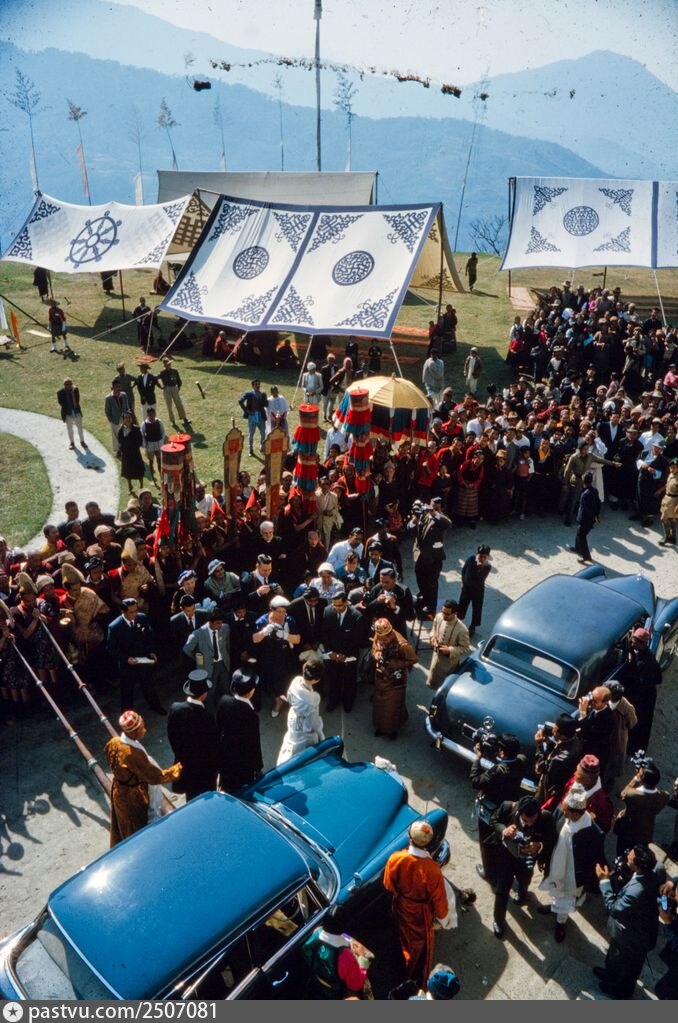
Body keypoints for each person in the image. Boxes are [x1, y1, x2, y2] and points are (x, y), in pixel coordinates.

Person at [383, 819, 450, 988]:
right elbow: (440, 900)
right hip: (421, 914)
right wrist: (443, 919)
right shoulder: (433, 869)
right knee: (420, 949)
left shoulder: (396, 858)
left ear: (409, 838)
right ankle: (414, 978)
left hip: (401, 906)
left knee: (401, 937)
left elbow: (388, 885)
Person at [537, 783, 606, 942]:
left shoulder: (593, 833)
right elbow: (550, 837)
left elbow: (594, 860)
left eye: (565, 810)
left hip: (572, 876)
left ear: (576, 814)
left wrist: (588, 882)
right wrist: (542, 856)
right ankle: (554, 907)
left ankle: (561, 922)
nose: (562, 811)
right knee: (555, 889)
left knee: (566, 898)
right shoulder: (561, 813)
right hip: (556, 866)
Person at [593, 845, 663, 998]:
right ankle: (610, 973)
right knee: (615, 956)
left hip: (634, 937)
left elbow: (614, 908)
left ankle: (621, 991)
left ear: (638, 866)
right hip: (629, 928)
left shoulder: (636, 891)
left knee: (628, 967)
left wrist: (604, 882)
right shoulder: (655, 869)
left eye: (629, 859)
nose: (627, 859)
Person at [104, 710, 181, 846]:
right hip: (132, 796)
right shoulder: (132, 754)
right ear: (132, 733)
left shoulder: (114, 742)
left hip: (118, 789)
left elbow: (107, 753)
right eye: (141, 728)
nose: (144, 730)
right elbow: (154, 777)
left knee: (121, 821)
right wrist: (176, 770)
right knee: (136, 825)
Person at [489, 795, 556, 939]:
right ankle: (498, 921)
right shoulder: (508, 807)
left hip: (527, 860)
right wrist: (504, 830)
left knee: (525, 879)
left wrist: (539, 845)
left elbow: (552, 839)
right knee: (502, 891)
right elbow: (494, 820)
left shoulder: (546, 818)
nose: (529, 824)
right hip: (506, 856)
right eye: (525, 821)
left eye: (533, 821)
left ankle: (522, 895)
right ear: (519, 813)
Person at [471, 733, 525, 888]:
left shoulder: (498, 771)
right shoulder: (521, 761)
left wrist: (477, 758)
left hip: (492, 812)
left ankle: (490, 875)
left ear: (502, 752)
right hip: (510, 809)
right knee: (503, 843)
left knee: (487, 843)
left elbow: (475, 781)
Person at [106, 597, 165, 714]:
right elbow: (111, 648)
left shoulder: (142, 618)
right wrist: (126, 659)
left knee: (149, 686)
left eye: (136, 611)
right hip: (127, 665)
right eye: (131, 612)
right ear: (123, 612)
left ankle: (156, 706)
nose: (134, 614)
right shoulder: (115, 627)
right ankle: (127, 716)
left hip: (143, 660)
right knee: (127, 692)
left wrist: (151, 651)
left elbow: (149, 636)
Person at [166, 669, 219, 802]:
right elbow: (213, 747)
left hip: (184, 765)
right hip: (203, 771)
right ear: (204, 694)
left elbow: (171, 735)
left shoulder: (175, 708)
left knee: (190, 799)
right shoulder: (207, 717)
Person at [301, 905, 371, 1000]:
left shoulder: (315, 932)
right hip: (336, 992)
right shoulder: (345, 955)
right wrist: (362, 958)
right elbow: (356, 985)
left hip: (318, 983)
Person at [216, 668, 263, 793]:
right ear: (250, 692)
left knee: (226, 784)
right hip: (242, 762)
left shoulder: (224, 701)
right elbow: (254, 743)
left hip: (225, 755)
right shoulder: (251, 715)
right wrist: (258, 766)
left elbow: (218, 728)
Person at [617, 627, 663, 754]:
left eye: (634, 642)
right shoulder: (648, 656)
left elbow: (640, 682)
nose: (632, 645)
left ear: (642, 644)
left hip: (643, 698)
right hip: (647, 695)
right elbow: (659, 679)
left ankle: (634, 749)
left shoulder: (644, 662)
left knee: (638, 723)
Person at [372, 617, 417, 740]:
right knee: (379, 703)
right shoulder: (378, 636)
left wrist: (395, 664)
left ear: (390, 633)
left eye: (385, 639)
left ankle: (392, 730)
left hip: (395, 680)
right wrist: (376, 654)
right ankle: (380, 726)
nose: (382, 641)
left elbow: (413, 659)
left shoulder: (403, 645)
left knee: (393, 706)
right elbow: (375, 646)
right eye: (380, 638)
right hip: (381, 676)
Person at [614, 761, 671, 855]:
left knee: (621, 851)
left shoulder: (631, 795)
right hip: (646, 832)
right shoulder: (664, 796)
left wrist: (635, 778)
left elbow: (624, 793)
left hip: (628, 830)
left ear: (643, 780)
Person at [321, 589, 361, 713]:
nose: (336, 608)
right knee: (333, 679)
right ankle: (333, 701)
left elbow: (357, 639)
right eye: (334, 605)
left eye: (339, 605)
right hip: (332, 654)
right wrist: (330, 652)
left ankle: (348, 702)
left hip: (349, 655)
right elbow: (324, 634)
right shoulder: (327, 611)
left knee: (349, 680)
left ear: (346, 603)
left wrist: (345, 654)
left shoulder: (356, 616)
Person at [277, 661, 325, 765]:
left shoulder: (296, 681)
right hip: (303, 727)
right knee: (301, 755)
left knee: (291, 741)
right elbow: (311, 723)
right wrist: (319, 732)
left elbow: (289, 697)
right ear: (316, 680)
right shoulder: (313, 699)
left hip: (293, 716)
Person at [408, 497, 450, 614]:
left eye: (437, 508)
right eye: (432, 506)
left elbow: (447, 523)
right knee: (420, 576)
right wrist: (414, 520)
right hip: (420, 554)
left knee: (432, 582)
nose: (433, 509)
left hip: (433, 557)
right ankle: (424, 595)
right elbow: (410, 529)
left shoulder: (441, 519)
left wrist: (433, 513)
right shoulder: (424, 515)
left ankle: (431, 605)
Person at [182, 608, 231, 707]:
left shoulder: (225, 628)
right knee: (209, 692)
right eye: (217, 623)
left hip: (223, 664)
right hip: (206, 667)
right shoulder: (198, 634)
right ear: (210, 622)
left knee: (226, 688)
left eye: (221, 622)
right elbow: (186, 649)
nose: (220, 625)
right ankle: (210, 712)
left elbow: (227, 645)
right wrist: (198, 659)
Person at [534, 713, 584, 809]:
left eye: (555, 730)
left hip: (549, 791)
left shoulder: (560, 759)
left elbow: (540, 768)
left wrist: (539, 745)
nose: (552, 730)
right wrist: (550, 744)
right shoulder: (575, 740)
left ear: (562, 735)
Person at [604, 680, 638, 793]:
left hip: (617, 739)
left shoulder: (627, 708)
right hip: (604, 736)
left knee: (613, 762)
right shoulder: (603, 700)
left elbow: (633, 722)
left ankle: (608, 784)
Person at [458, 544, 491, 637]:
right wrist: (462, 582)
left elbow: (481, 578)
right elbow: (464, 570)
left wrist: (481, 567)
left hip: (478, 590)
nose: (481, 558)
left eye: (484, 557)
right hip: (467, 588)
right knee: (462, 604)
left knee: (477, 608)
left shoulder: (487, 566)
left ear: (487, 557)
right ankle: (458, 620)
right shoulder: (471, 559)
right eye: (480, 556)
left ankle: (473, 626)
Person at [576, 685, 614, 768]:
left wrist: (583, 714)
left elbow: (591, 735)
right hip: (583, 749)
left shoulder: (608, 718)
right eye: (591, 699)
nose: (592, 702)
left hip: (594, 755)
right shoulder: (592, 707)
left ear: (605, 702)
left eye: (595, 701)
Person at [570, 470, 601, 564]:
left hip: (585, 520)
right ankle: (577, 549)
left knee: (581, 536)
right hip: (589, 519)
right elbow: (598, 503)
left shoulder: (585, 494)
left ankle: (586, 557)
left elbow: (586, 509)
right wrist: (597, 515)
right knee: (579, 534)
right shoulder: (594, 491)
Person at [117, 411, 145, 494]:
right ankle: (130, 486)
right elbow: (120, 440)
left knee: (139, 470)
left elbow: (140, 441)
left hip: (135, 453)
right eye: (126, 418)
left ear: (132, 419)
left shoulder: (136, 429)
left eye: (129, 417)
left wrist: (132, 445)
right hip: (126, 454)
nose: (128, 419)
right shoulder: (121, 430)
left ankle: (141, 486)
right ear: (123, 420)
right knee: (127, 470)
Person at [158, 356, 190, 429]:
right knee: (169, 405)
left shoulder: (175, 371)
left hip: (174, 388)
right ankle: (172, 421)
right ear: (164, 365)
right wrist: (161, 386)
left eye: (169, 364)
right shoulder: (162, 372)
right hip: (167, 389)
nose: (169, 366)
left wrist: (178, 387)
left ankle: (184, 418)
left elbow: (179, 380)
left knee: (179, 403)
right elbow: (155, 378)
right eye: (167, 365)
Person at [238, 379, 268, 455]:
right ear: (253, 386)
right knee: (251, 434)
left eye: (258, 384)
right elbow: (240, 401)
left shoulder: (263, 394)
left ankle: (262, 447)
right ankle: (250, 449)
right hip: (252, 416)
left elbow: (266, 404)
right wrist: (247, 411)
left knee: (263, 433)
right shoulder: (249, 394)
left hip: (261, 416)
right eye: (256, 384)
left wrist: (263, 399)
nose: (258, 386)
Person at [56, 378, 87, 450]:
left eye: (70, 384)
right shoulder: (60, 392)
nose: (68, 386)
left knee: (80, 428)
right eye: (67, 384)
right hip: (68, 413)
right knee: (70, 429)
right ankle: (72, 443)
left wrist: (72, 393)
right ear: (64, 385)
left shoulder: (75, 390)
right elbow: (61, 403)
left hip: (77, 412)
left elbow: (77, 400)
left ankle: (82, 441)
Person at [104, 380, 131, 456]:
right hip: (115, 420)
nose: (118, 388)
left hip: (124, 419)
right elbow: (107, 411)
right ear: (113, 387)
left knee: (126, 434)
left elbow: (127, 406)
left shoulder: (124, 395)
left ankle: (126, 449)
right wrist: (111, 419)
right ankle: (118, 451)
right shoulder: (108, 398)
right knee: (116, 436)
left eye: (119, 386)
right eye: (116, 387)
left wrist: (128, 415)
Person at [140, 407, 166, 482]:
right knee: (151, 462)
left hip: (158, 444)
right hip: (150, 445)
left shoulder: (159, 422)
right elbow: (142, 434)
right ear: (147, 415)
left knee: (159, 461)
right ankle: (153, 478)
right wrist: (145, 444)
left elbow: (163, 432)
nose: (152, 415)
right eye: (150, 414)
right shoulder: (144, 424)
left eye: (153, 413)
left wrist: (161, 441)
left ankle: (161, 476)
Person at [659, 458, 678, 545]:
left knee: (663, 519)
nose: (672, 469)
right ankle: (673, 537)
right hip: (667, 498)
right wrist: (660, 490)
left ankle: (667, 537)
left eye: (674, 467)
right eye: (671, 467)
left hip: (674, 501)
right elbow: (668, 484)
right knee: (672, 519)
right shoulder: (671, 474)